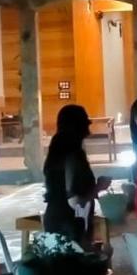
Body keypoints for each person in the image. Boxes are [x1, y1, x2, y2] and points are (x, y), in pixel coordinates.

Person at [43, 104, 110, 244]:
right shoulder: (73, 155)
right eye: (85, 124)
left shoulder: (57, 151)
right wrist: (99, 187)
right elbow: (75, 201)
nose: (88, 129)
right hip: (69, 225)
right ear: (76, 127)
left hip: (56, 218)